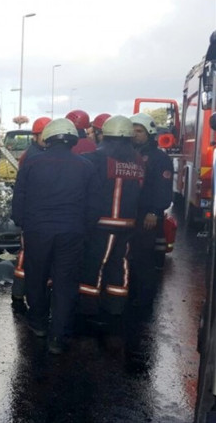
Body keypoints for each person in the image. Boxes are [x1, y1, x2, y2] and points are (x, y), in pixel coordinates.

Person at [11, 118, 100, 354]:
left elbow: (19, 198)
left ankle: (39, 324)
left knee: (36, 277)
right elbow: (94, 206)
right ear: (73, 139)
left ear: (48, 138)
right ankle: (57, 338)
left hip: (37, 231)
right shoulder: (86, 166)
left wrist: (22, 223)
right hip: (71, 233)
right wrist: (83, 229)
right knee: (65, 283)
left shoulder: (31, 163)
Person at [77, 116, 144, 323]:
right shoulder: (138, 161)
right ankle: (115, 306)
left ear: (104, 135)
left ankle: (88, 307)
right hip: (127, 223)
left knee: (95, 263)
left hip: (102, 222)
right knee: (119, 263)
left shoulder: (95, 158)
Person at [129, 112, 174, 313]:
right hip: (130, 213)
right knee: (129, 257)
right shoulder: (131, 154)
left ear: (149, 133)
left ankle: (144, 301)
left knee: (143, 258)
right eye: (133, 130)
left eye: (139, 131)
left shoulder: (160, 159)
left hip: (147, 215)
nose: (135, 134)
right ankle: (130, 294)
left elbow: (163, 189)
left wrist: (154, 212)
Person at [11, 116, 52, 311]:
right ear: (35, 136)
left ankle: (23, 292)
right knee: (27, 256)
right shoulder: (32, 157)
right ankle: (21, 293)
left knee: (29, 256)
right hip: (33, 216)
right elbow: (22, 189)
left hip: (35, 216)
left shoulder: (38, 153)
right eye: (45, 134)